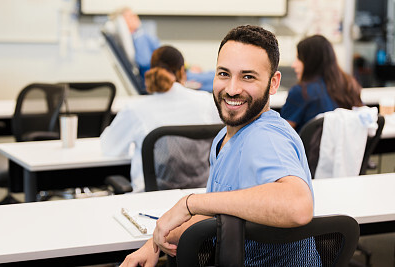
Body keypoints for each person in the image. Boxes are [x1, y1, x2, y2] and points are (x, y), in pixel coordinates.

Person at [120, 25, 321, 266]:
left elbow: (298, 206)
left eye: (248, 76)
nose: (232, 89)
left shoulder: (265, 137)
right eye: (224, 74)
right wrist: (154, 243)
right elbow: (218, 209)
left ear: (273, 83)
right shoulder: (225, 138)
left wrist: (190, 203)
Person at [100, 45, 221, 192]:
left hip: (151, 203)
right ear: (182, 72)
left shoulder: (136, 109)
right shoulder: (208, 102)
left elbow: (109, 147)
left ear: (152, 71)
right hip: (201, 200)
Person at [108, 7, 215, 92]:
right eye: (130, 16)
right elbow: (144, 61)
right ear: (123, 22)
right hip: (176, 76)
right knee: (216, 78)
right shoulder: (140, 37)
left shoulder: (140, 37)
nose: (135, 17)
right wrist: (180, 73)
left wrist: (187, 67)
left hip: (178, 72)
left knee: (215, 74)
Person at [280, 35, 363, 133]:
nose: (294, 65)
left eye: (299, 58)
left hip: (309, 149)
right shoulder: (349, 85)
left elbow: (282, 133)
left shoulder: (301, 92)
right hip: (345, 148)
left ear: (311, 62)